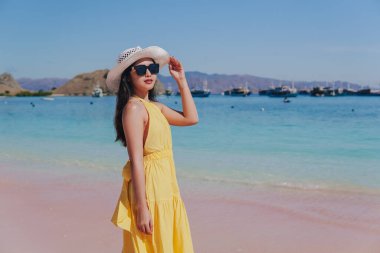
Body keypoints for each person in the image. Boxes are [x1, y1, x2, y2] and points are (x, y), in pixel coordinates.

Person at [106, 46, 198, 253]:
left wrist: (181, 81)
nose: (148, 73)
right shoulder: (134, 109)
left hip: (167, 187)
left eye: (153, 68)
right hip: (151, 192)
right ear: (127, 77)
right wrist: (141, 207)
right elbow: (136, 160)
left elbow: (191, 118)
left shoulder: (155, 107)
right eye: (140, 69)